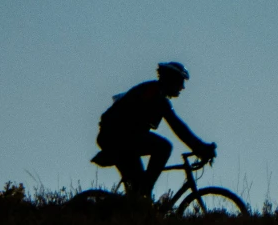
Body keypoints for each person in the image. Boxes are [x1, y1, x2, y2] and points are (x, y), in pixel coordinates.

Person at [91, 62, 216, 198]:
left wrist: (200, 148)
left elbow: (178, 128)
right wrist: (201, 148)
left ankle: (137, 202)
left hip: (121, 139)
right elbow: (178, 127)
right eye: (180, 82)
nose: (182, 87)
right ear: (171, 79)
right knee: (164, 147)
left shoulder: (154, 92)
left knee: (137, 192)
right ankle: (143, 192)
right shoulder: (154, 94)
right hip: (116, 138)